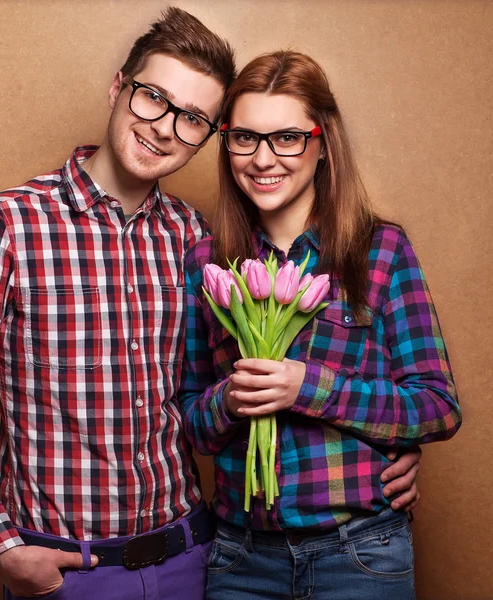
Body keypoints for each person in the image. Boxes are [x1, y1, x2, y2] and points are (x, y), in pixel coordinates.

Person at [0, 9, 421, 599]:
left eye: (193, 119)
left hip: (193, 556)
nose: (163, 128)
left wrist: (386, 451)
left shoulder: (198, 241)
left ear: (207, 137)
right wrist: (0, 546)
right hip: (70, 572)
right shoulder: (6, 224)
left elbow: (199, 397)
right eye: (152, 98)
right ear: (117, 87)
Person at [179, 50, 461, 600]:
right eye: (244, 138)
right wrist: (230, 401)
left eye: (286, 137)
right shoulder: (208, 263)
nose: (263, 160)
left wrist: (305, 388)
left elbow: (437, 406)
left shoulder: (378, 251)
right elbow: (190, 422)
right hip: (240, 557)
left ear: (322, 142)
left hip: (359, 553)